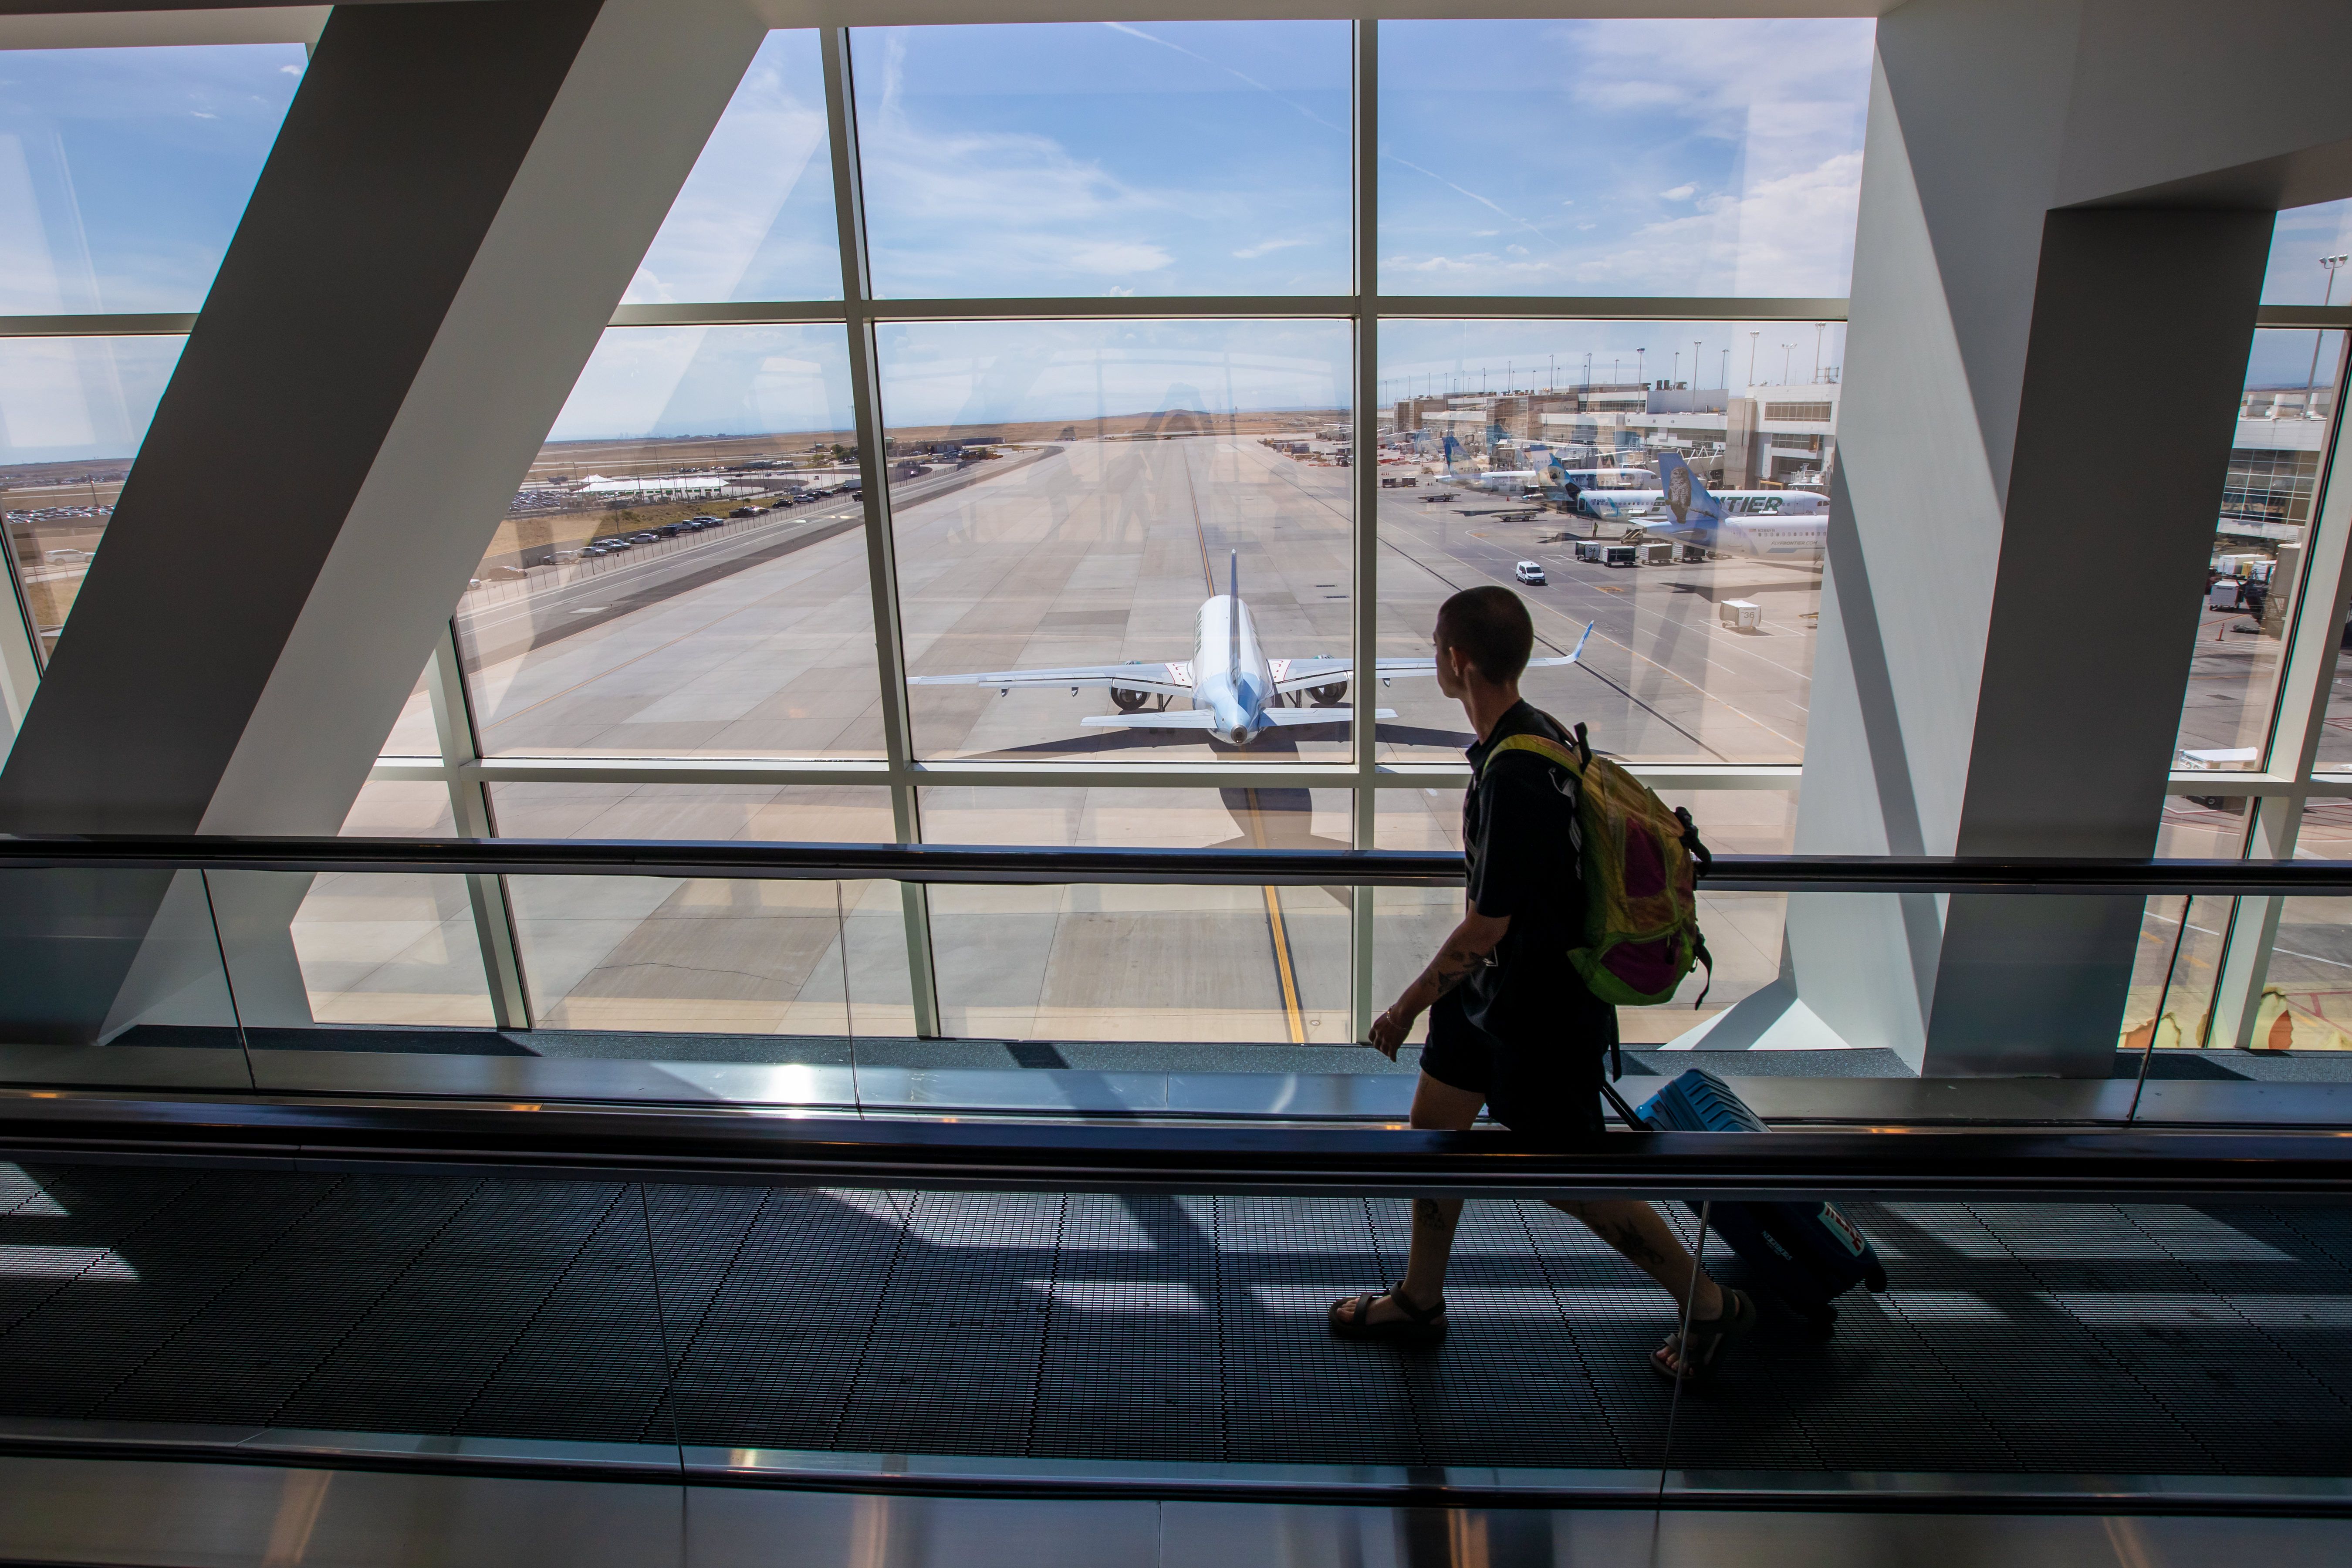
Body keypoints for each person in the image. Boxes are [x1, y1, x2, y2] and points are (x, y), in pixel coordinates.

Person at [1326, 585, 1753, 1381]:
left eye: (1436, 646)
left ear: (1458, 662)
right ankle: (1421, 1299)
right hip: (1489, 997)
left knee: (1573, 1181)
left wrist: (1403, 1007)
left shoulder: (1517, 771)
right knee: (1436, 1138)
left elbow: (1488, 926)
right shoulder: (1539, 735)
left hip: (1539, 1009)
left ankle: (1707, 1302)